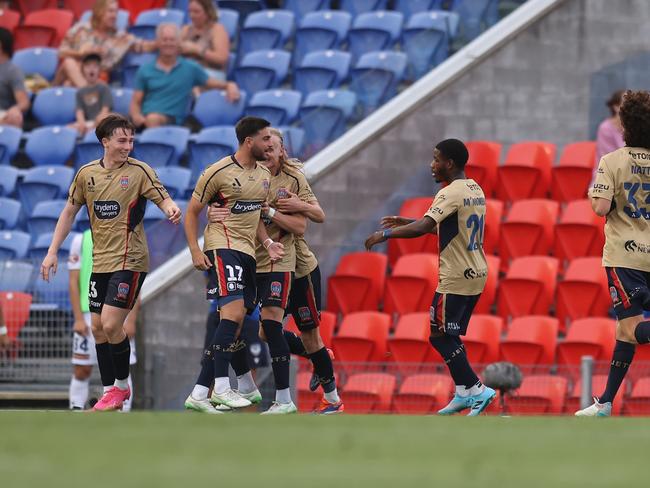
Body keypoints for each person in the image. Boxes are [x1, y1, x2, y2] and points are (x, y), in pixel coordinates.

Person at [40, 113, 181, 412]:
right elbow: (68, 212)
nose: (128, 145)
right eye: (122, 140)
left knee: (111, 322)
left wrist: (171, 208)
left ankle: (121, 386)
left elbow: (163, 198)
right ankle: (109, 393)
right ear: (105, 142)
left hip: (131, 260)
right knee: (97, 328)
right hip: (101, 262)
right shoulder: (86, 174)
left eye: (131, 140)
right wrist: (52, 251)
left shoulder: (141, 171)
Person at [365, 139, 496, 416]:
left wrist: (385, 235)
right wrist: (407, 221)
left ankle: (476, 388)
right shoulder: (474, 188)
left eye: (436, 159)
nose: (431, 164)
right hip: (477, 272)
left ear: (449, 163)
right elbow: (450, 230)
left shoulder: (449, 193)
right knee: (447, 333)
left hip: (455, 276)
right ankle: (463, 392)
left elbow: (425, 226)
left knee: (438, 335)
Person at [184, 116, 283, 414]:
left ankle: (202, 392)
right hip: (221, 247)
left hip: (248, 253)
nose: (270, 144)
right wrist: (194, 250)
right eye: (265, 139)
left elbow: (253, 218)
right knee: (232, 315)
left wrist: (266, 243)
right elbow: (192, 213)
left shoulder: (264, 176)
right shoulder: (218, 172)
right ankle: (222, 388)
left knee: (235, 321)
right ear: (249, 141)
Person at [576, 90, 650, 417]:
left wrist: (597, 193)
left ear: (625, 123)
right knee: (624, 331)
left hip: (625, 258)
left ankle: (604, 403)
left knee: (632, 329)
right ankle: (605, 402)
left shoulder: (612, 162)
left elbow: (601, 207)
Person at [68, 228, 139, 411]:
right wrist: (78, 318)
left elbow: (135, 283)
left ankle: (123, 410)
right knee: (81, 369)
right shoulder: (80, 240)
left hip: (119, 311)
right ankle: (76, 409)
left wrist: (131, 320)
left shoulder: (126, 237)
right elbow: (73, 282)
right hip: (89, 312)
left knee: (122, 365)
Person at [129, 23, 239, 129]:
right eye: (164, 40)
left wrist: (229, 85)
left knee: (153, 119)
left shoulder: (190, 68)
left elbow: (213, 82)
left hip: (172, 122)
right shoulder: (145, 69)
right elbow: (136, 102)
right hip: (145, 120)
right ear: (157, 42)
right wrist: (136, 116)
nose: (168, 43)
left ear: (179, 42)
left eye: (172, 40)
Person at [56, 0, 152, 88]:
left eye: (116, 12)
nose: (114, 16)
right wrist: (81, 54)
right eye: (110, 11)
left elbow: (142, 45)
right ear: (99, 12)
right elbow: (61, 52)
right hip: (74, 73)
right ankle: (86, 92)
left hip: (98, 78)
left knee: (68, 83)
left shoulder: (119, 37)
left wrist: (160, 43)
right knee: (69, 64)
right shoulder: (81, 29)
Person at [180, 0, 230, 81]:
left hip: (210, 74)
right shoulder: (186, 29)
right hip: (186, 71)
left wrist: (197, 49)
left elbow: (222, 59)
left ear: (208, 12)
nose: (192, 15)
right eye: (190, 11)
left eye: (196, 12)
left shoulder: (217, 29)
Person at [71, 54, 112, 135]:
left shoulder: (104, 88)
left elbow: (105, 110)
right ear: (83, 70)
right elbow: (79, 111)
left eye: (95, 66)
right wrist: (82, 123)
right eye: (88, 66)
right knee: (67, 129)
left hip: (102, 121)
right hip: (88, 122)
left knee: (104, 118)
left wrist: (94, 125)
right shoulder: (80, 92)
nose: (91, 69)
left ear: (99, 70)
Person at [0, 27, 29, 128]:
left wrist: (15, 109)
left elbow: (24, 102)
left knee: (15, 118)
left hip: (2, 114)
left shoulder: (12, 71)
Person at [596, 90, 626, 162]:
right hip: (608, 170)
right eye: (626, 103)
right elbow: (609, 159)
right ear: (616, 107)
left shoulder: (633, 126)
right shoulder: (605, 128)